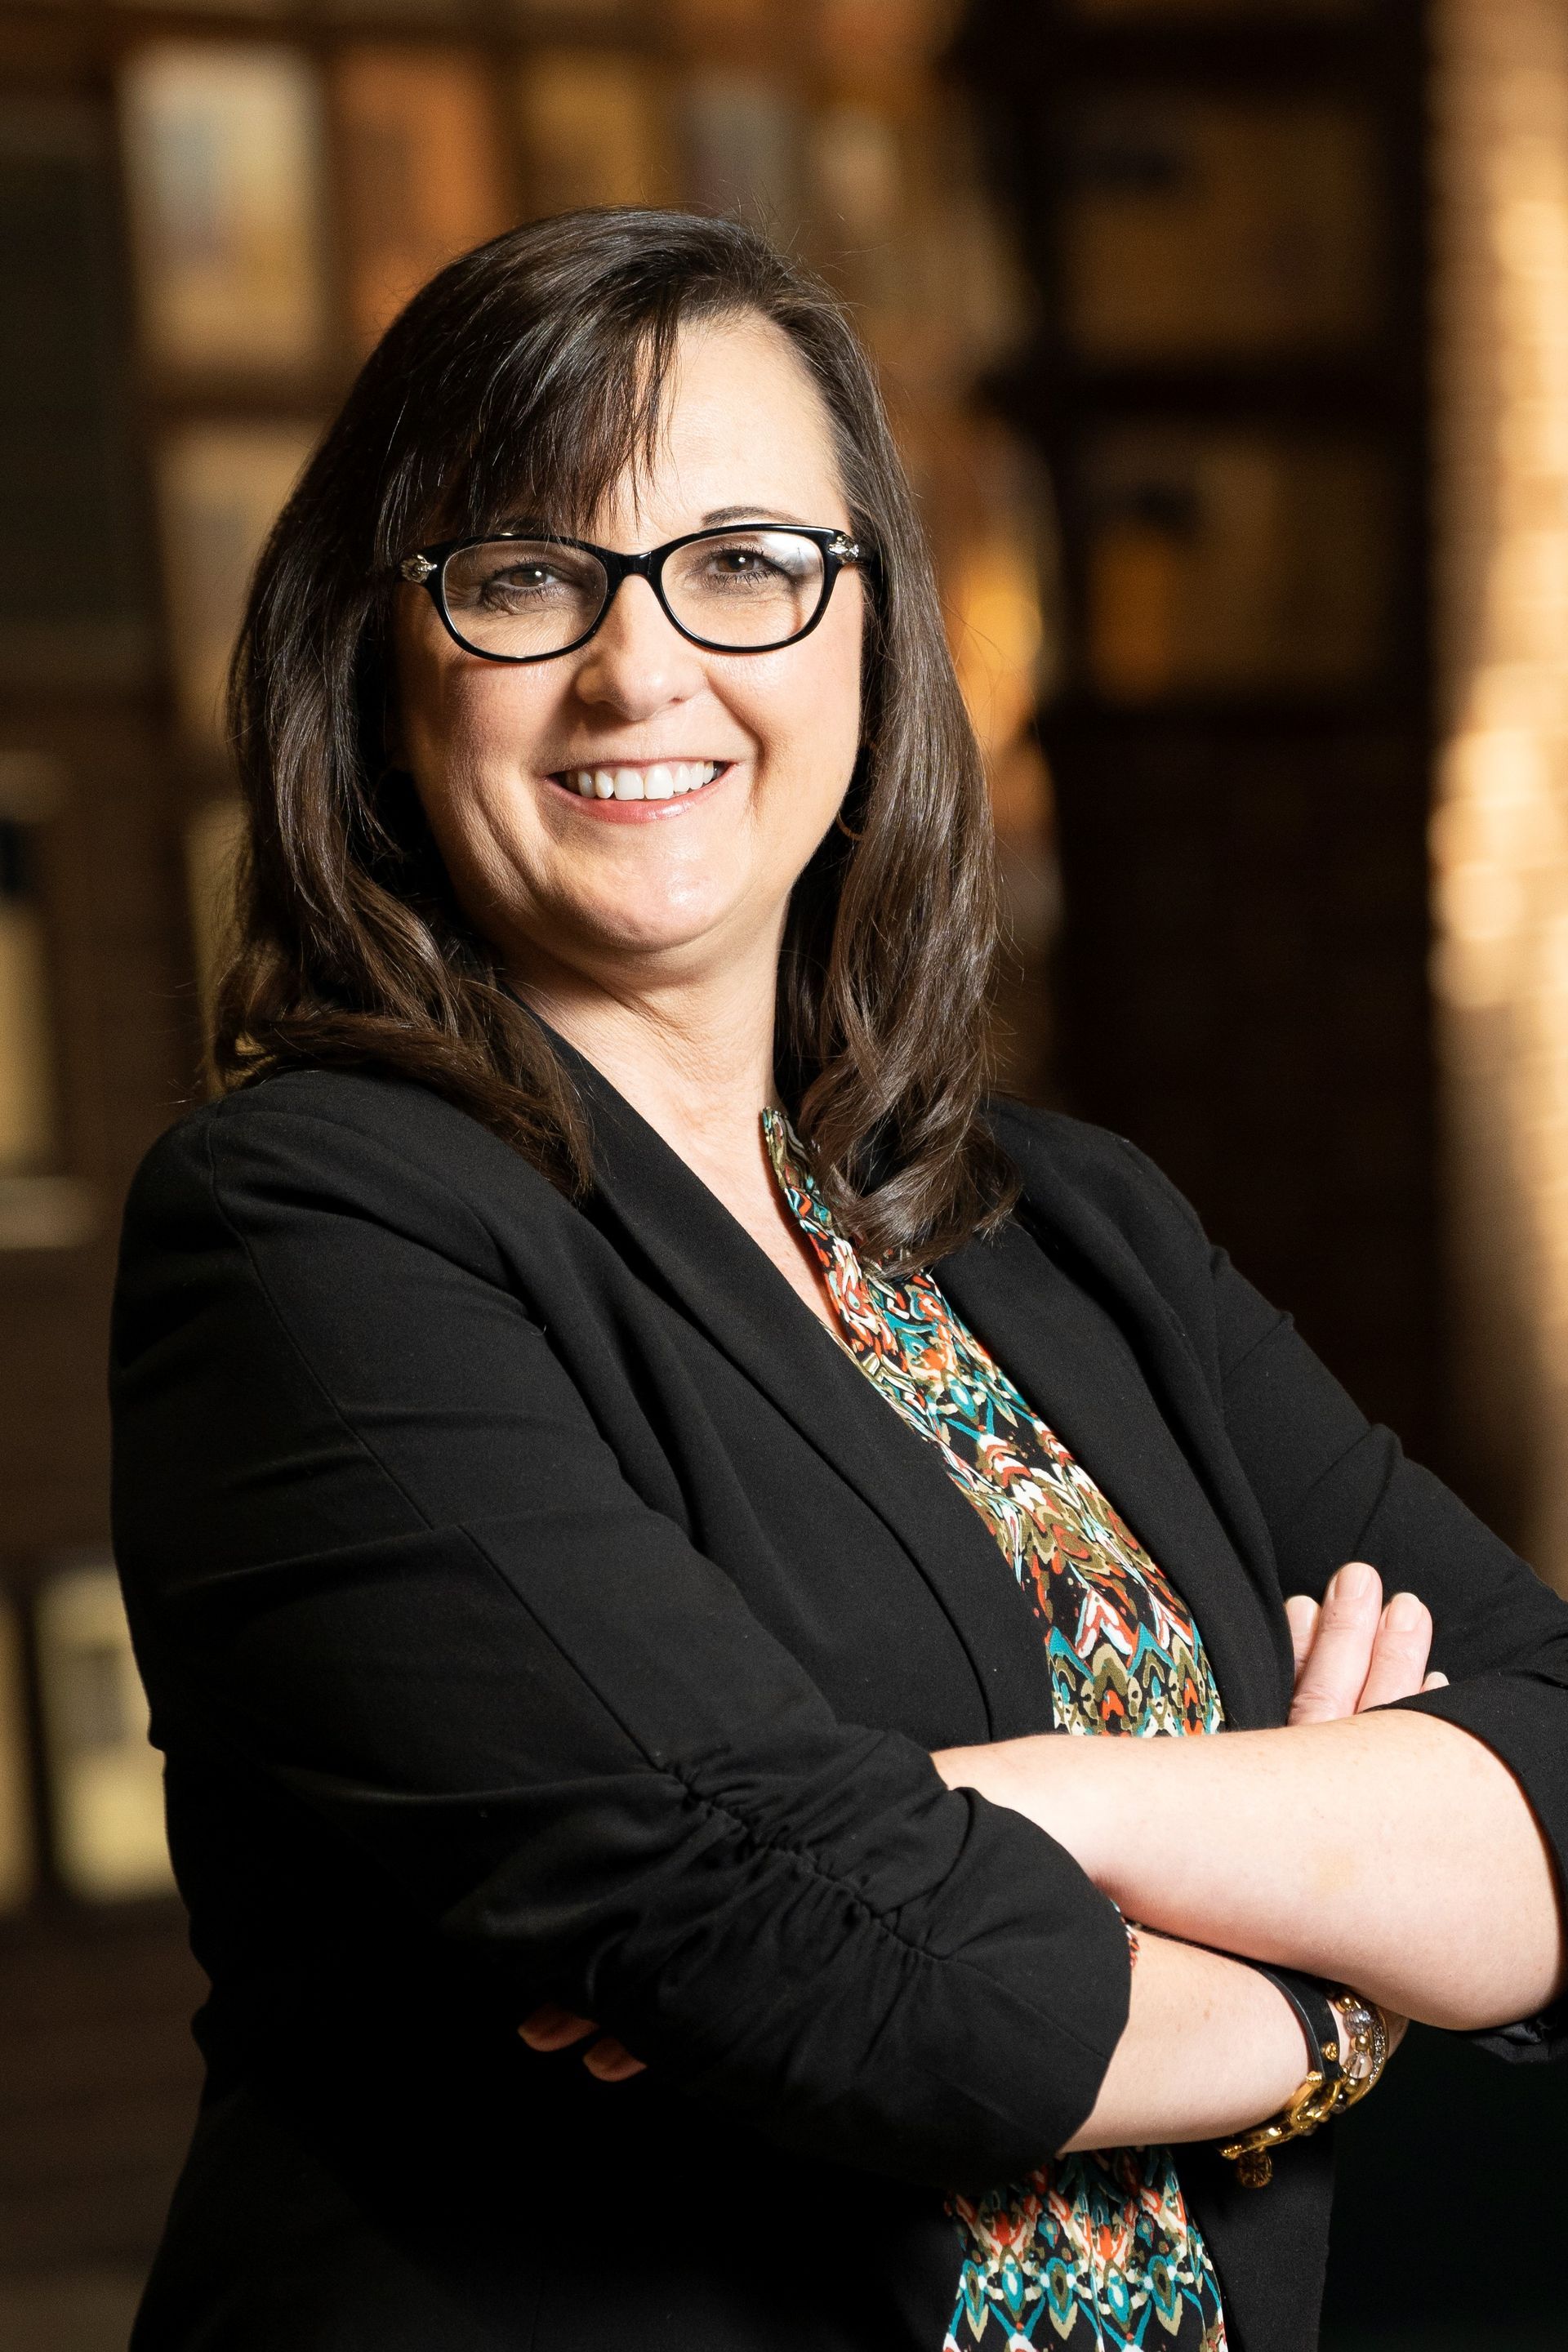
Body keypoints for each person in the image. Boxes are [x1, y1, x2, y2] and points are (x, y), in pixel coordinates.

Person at [110, 210, 1567, 2352]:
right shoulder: (312, 1237)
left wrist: (995, 1812)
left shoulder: (1070, 1225)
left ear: (870, 631)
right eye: (527, 574)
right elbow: (829, 1970)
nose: (643, 668)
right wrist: (1346, 1972)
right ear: (381, 658)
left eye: (748, 562)